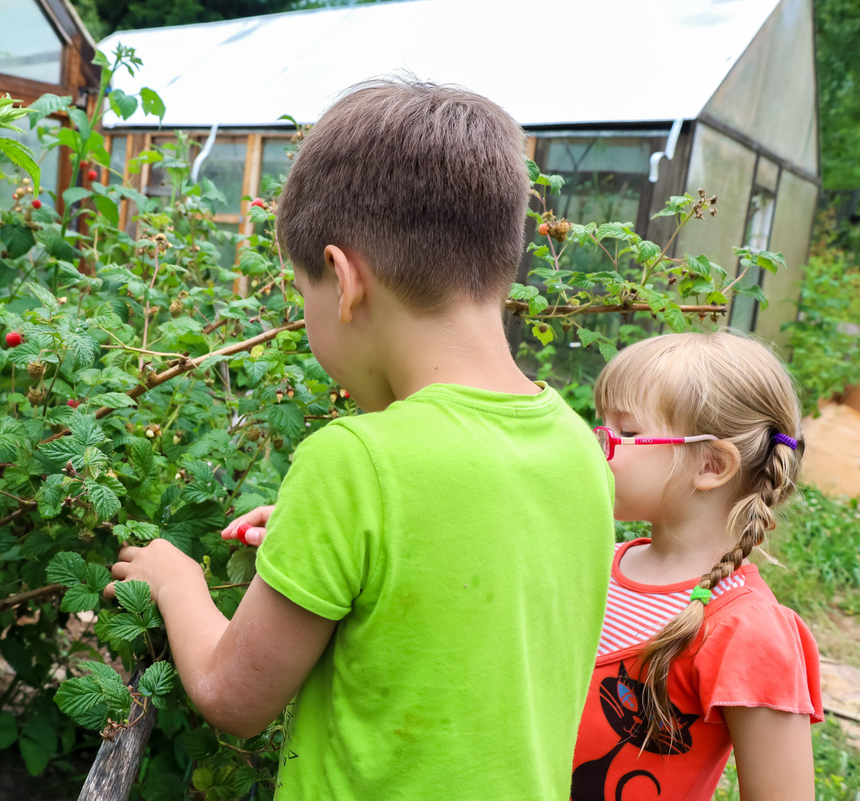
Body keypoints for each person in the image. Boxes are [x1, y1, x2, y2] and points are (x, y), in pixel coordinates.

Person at [107, 79, 616, 799]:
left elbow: (232, 694)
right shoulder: (576, 447)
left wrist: (175, 580)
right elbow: (479, 581)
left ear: (344, 281)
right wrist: (334, 546)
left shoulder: (354, 462)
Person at [570, 332, 823, 801]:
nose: (595, 445)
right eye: (598, 425)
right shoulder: (591, 564)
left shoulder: (750, 633)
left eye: (624, 433)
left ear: (710, 463)